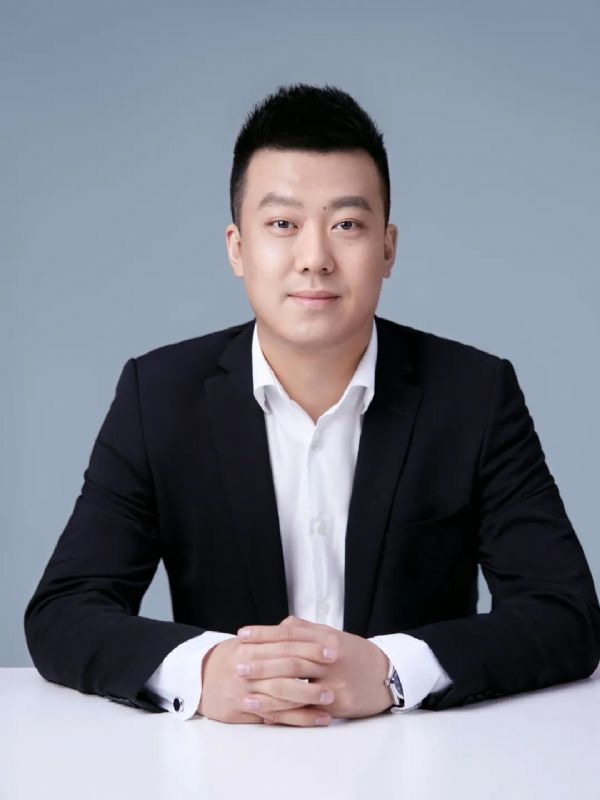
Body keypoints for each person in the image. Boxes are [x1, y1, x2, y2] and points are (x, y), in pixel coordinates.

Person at [24, 83, 600, 728]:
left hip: (422, 757)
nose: (315, 258)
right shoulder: (157, 396)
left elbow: (566, 614)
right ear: (237, 248)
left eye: (347, 225)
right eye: (283, 224)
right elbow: (64, 611)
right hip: (226, 757)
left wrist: (391, 671)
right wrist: (207, 671)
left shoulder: (474, 392)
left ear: (388, 247)